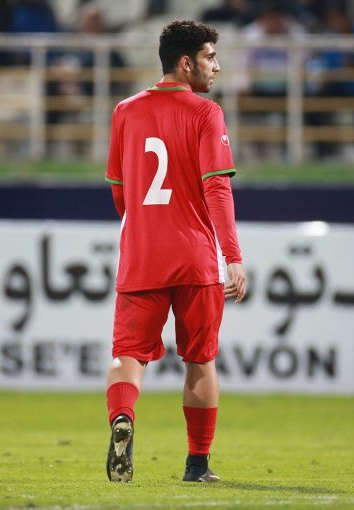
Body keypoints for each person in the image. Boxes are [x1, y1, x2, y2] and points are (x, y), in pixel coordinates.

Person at [103, 20, 247, 483]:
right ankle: (197, 465)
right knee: (200, 359)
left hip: (142, 256)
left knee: (127, 355)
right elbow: (217, 189)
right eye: (210, 58)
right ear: (186, 63)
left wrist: (144, 228)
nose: (216, 67)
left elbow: (119, 192)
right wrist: (232, 256)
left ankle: (122, 418)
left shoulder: (125, 111)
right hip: (195, 258)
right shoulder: (206, 113)